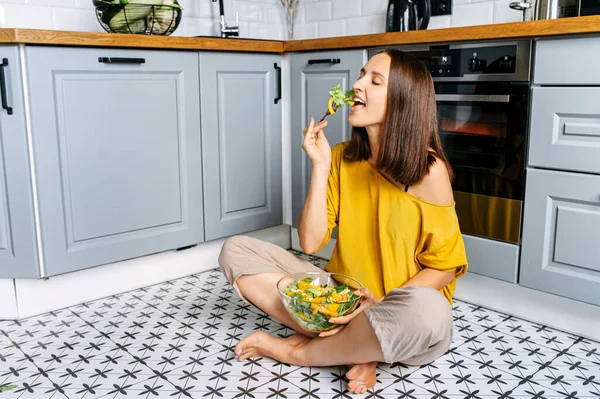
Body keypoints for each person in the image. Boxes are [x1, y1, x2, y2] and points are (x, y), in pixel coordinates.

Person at [218, 49, 468, 394]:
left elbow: (445, 268)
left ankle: (300, 351)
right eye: (361, 75)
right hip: (341, 299)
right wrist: (319, 167)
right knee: (235, 250)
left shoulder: (429, 170)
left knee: (431, 312)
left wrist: (378, 305)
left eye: (374, 81)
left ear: (402, 101)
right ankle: (361, 349)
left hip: (399, 310)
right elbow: (309, 242)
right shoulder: (341, 157)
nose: (357, 85)